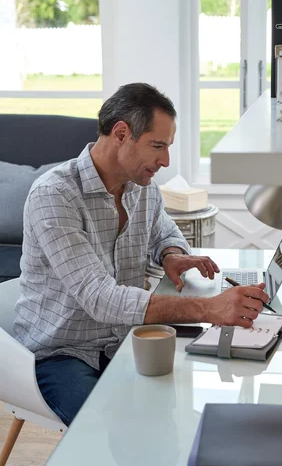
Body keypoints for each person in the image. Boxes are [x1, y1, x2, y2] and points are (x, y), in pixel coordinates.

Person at [14, 83, 268, 426]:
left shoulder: (141, 188)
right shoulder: (55, 196)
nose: (165, 161)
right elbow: (100, 299)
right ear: (121, 133)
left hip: (123, 338)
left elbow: (165, 232)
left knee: (185, 401)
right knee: (109, 429)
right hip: (60, 354)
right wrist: (210, 308)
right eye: (157, 146)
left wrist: (172, 255)